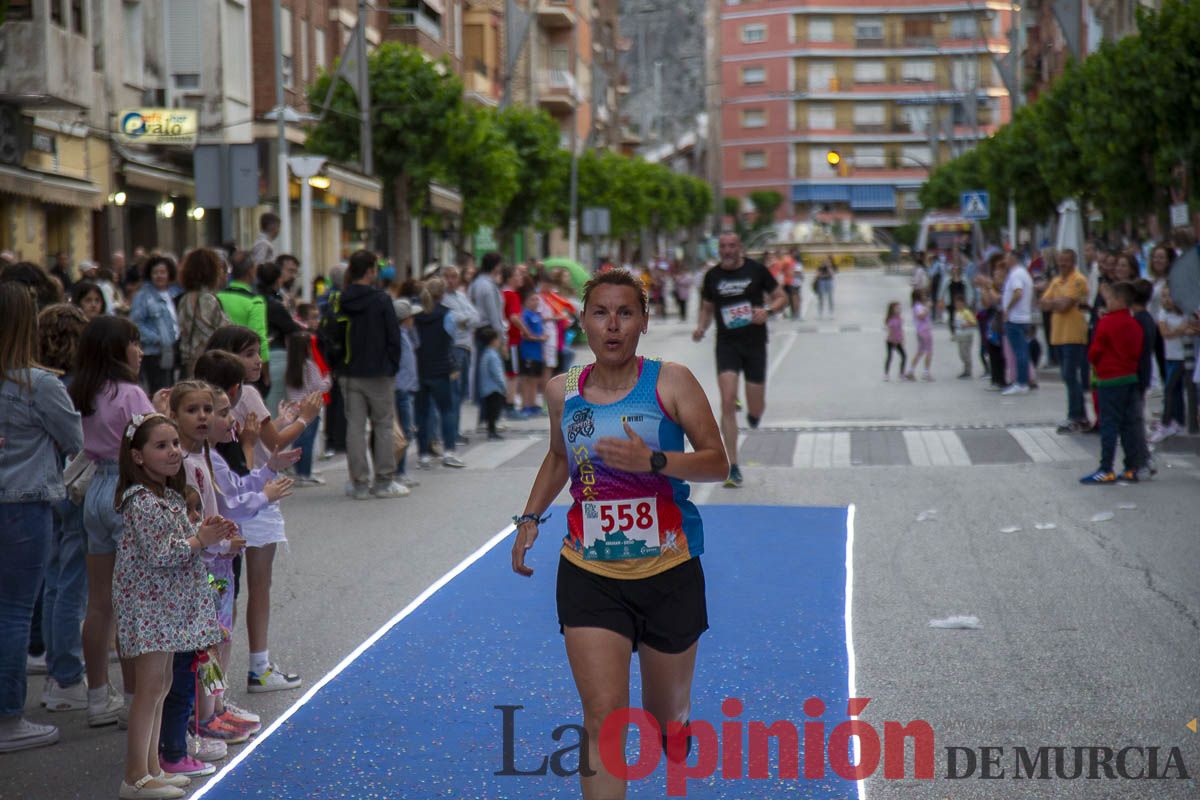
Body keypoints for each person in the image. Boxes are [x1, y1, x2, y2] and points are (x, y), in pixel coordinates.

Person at [510, 269, 727, 799]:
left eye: (625, 313)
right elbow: (560, 458)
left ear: (644, 322)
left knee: (663, 720)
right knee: (603, 716)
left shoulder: (671, 381)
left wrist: (655, 460)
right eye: (601, 313)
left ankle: (675, 727)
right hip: (589, 572)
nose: (613, 325)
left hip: (670, 572)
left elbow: (717, 462)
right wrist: (530, 519)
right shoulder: (563, 392)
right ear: (583, 322)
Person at [112, 412, 234, 799]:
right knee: (149, 689)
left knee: (162, 685)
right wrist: (201, 539)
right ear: (137, 457)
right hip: (148, 609)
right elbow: (163, 554)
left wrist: (208, 534)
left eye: (174, 444)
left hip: (165, 609)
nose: (173, 452)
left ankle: (151, 768)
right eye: (160, 446)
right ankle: (134, 776)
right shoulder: (142, 501)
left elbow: (185, 544)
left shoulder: (167, 497)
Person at [199, 328, 319, 693]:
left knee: (221, 603)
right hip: (245, 504)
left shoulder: (207, 404)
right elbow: (246, 464)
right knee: (240, 596)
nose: (257, 360)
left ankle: (213, 697)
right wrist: (305, 418)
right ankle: (250, 673)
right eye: (249, 354)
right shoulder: (245, 393)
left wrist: (266, 449)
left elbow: (250, 453)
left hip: (232, 505)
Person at [0, 284, 83, 753]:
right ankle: (8, 716)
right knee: (13, 613)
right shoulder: (39, 384)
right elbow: (74, 438)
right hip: (24, 503)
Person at [70, 315, 155, 728]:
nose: (139, 350)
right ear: (117, 350)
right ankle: (133, 699)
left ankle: (96, 696)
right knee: (134, 602)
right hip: (128, 489)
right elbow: (152, 442)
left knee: (100, 602)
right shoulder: (131, 394)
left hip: (96, 491)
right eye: (133, 343)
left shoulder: (85, 392)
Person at [693, 233, 786, 488]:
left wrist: (767, 311)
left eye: (732, 245)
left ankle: (754, 414)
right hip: (727, 345)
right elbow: (707, 307)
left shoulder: (757, 271)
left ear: (740, 247)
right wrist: (701, 327)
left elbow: (781, 296)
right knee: (726, 401)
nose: (727, 250)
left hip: (754, 344)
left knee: (756, 407)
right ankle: (732, 466)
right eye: (723, 246)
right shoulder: (712, 276)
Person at [35, 304, 91, 719]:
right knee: (71, 583)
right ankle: (67, 674)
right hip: (72, 484)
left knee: (55, 581)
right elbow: (78, 440)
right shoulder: (74, 387)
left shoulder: (33, 381)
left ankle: (60, 672)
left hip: (46, 483)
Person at [336, 250, 407, 495]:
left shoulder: (342, 299)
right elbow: (393, 336)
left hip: (349, 371)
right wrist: (393, 364)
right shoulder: (381, 299)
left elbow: (331, 334)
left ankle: (359, 482)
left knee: (355, 427)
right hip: (379, 372)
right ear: (369, 271)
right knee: (383, 425)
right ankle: (384, 480)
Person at [1080, 282, 1144, 484]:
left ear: (1118, 300)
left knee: (1109, 424)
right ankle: (1131, 467)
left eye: (1109, 299)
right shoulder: (1134, 324)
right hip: (1130, 378)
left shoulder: (1106, 323)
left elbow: (1095, 352)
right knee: (1129, 425)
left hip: (1109, 380)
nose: (1106, 303)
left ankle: (1105, 468)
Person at [414, 277, 468, 469]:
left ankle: (423, 454)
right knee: (447, 410)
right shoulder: (447, 315)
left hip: (421, 368)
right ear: (443, 294)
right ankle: (449, 451)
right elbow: (452, 337)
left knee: (421, 413)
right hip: (442, 368)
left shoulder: (417, 315)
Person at [1040, 249, 1091, 432]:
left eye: (1066, 261)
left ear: (1073, 262)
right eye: (1061, 261)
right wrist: (1057, 303)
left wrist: (1055, 303)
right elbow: (1043, 303)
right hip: (1059, 335)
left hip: (1074, 335)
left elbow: (1064, 305)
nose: (1063, 264)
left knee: (1071, 376)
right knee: (1067, 377)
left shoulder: (1078, 280)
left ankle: (1077, 416)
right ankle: (1078, 415)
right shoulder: (1056, 281)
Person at [257, 258, 304, 415]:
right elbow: (291, 327)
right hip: (275, 355)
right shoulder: (274, 304)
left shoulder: (254, 297)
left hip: (255, 356)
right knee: (274, 406)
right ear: (278, 280)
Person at [284, 331, 331, 485]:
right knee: (308, 442)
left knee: (298, 440)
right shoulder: (310, 366)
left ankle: (298, 471)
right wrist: (328, 380)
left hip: (295, 408)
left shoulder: (290, 367)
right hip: (310, 408)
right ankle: (305, 473)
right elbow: (319, 387)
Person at [217, 251, 269, 391]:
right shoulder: (255, 301)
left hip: (219, 360)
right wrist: (265, 370)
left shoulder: (217, 296)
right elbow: (259, 336)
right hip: (244, 365)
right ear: (251, 271)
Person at [441, 265, 481, 445]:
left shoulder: (461, 296)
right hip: (454, 346)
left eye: (454, 277)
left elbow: (475, 316)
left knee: (462, 392)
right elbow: (452, 319)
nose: (451, 280)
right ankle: (450, 433)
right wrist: (464, 320)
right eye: (447, 277)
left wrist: (465, 320)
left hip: (465, 346)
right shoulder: (441, 298)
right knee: (453, 392)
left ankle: (455, 430)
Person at [129, 256, 181, 395]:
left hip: (170, 350)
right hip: (153, 352)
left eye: (163, 272)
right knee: (157, 391)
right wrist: (156, 338)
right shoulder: (143, 296)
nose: (160, 276)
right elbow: (135, 323)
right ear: (149, 274)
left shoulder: (173, 294)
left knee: (170, 390)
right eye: (156, 272)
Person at [177, 249, 230, 378]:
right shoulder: (207, 299)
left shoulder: (184, 299)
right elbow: (210, 333)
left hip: (188, 362)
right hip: (206, 364)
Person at [1001, 253, 1034, 396]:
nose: (1005, 261)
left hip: (1015, 318)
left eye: (1007, 258)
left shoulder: (1016, 275)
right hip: (1023, 317)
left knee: (1019, 352)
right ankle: (1022, 381)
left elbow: (1018, 292)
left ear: (1013, 259)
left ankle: (1021, 382)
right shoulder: (1024, 273)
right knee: (1022, 351)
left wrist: (1007, 308)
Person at [517, 288, 547, 415]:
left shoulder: (538, 315)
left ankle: (533, 403)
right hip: (528, 352)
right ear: (526, 302)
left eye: (537, 299)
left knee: (535, 379)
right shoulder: (525, 315)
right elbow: (524, 334)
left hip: (538, 353)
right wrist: (539, 338)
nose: (535, 302)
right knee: (527, 379)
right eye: (532, 299)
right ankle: (525, 405)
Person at [477, 327, 507, 440]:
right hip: (495, 389)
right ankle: (492, 432)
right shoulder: (493, 356)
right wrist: (504, 385)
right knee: (494, 412)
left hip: (486, 388)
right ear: (493, 341)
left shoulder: (485, 354)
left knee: (490, 411)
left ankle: (491, 431)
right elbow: (497, 373)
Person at [905, 288, 934, 381]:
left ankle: (911, 371)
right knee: (929, 351)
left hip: (920, 330)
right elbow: (921, 316)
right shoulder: (918, 306)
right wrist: (927, 308)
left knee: (920, 351)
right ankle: (926, 372)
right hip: (924, 330)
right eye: (923, 295)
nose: (925, 296)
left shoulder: (919, 305)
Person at [951, 296, 977, 379]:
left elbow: (973, 322)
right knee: (961, 353)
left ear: (963, 304)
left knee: (966, 353)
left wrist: (966, 325)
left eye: (959, 303)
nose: (957, 305)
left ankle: (968, 371)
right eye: (956, 304)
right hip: (960, 336)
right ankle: (966, 369)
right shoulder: (957, 312)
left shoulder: (966, 312)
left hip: (967, 335)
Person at [883, 301, 906, 381]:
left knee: (904, 356)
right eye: (897, 308)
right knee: (889, 357)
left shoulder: (900, 319)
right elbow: (890, 331)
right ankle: (886, 374)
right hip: (890, 341)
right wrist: (893, 340)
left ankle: (901, 373)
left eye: (900, 308)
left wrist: (902, 339)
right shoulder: (891, 320)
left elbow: (901, 330)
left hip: (898, 340)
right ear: (892, 310)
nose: (899, 310)